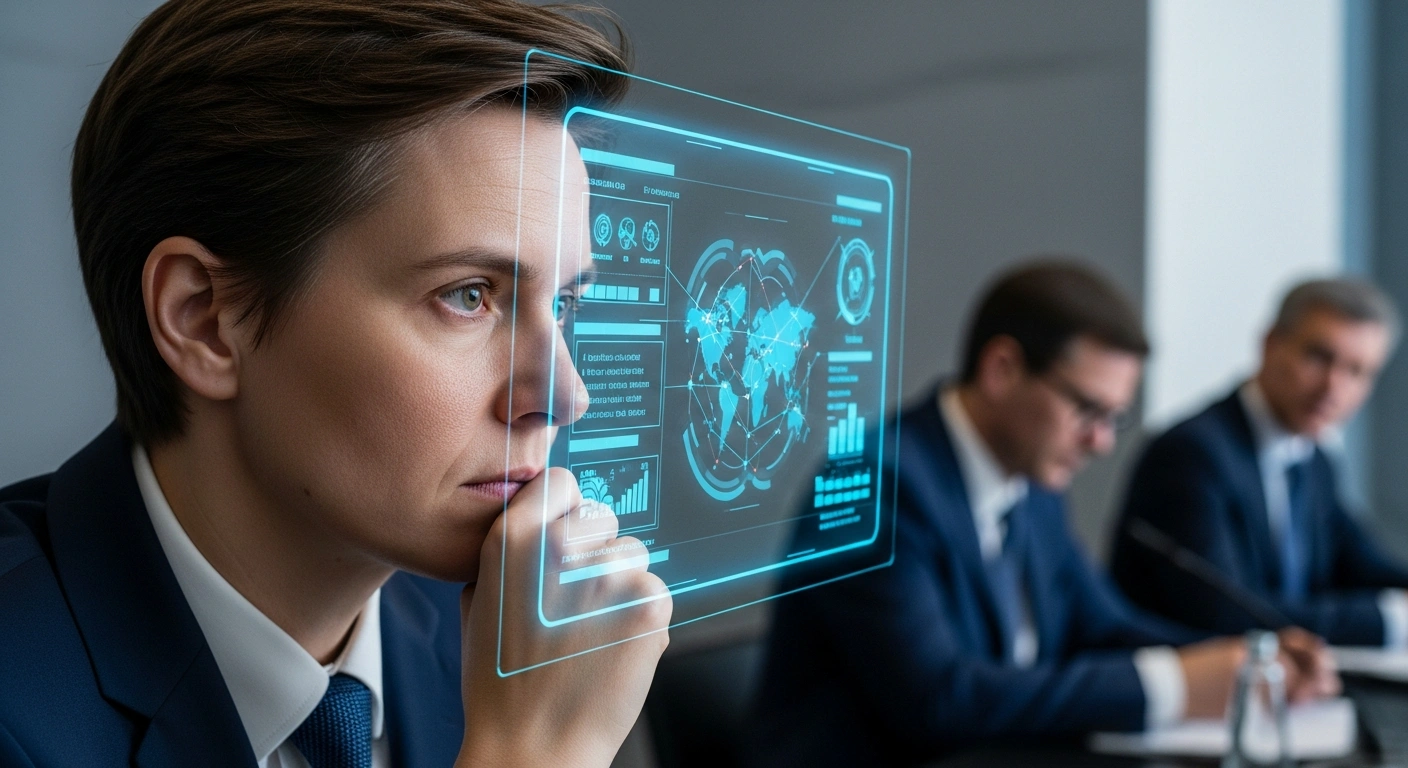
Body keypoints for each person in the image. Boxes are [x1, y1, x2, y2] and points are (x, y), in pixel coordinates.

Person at [0, 1, 672, 766]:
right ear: (205, 320)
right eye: (468, 296)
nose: (564, 395)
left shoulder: (537, 643)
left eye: (566, 303)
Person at [750, 261, 1338, 766]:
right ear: (1002, 369)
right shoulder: (872, 484)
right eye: (1088, 409)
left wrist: (1251, 659)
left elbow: (1100, 624)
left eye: (1115, 417)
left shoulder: (1033, 478)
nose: (1102, 442)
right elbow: (939, 699)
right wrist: (1175, 685)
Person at [1112, 278, 1408, 647]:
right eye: (1318, 357)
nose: (1334, 387)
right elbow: (1228, 614)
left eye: (1357, 372)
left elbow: (1363, 565)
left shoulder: (1315, 462)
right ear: (1270, 343)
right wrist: (1389, 622)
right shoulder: (1191, 454)